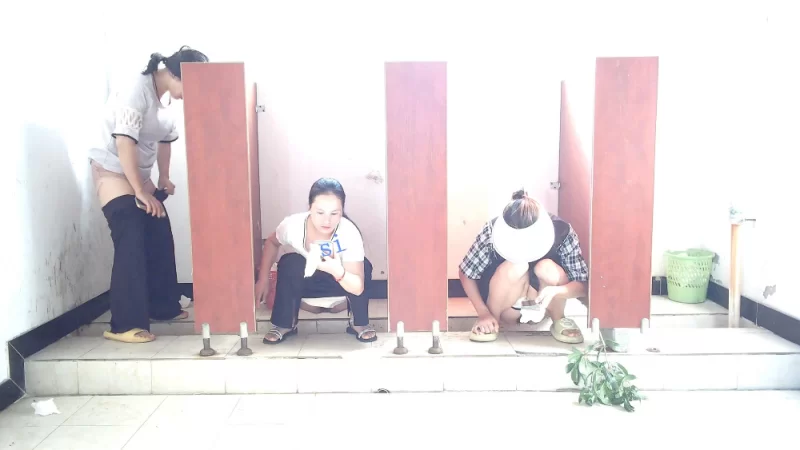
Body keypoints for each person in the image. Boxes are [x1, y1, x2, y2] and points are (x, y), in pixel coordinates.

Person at [88, 46, 210, 343]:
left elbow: (164, 140)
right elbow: (124, 143)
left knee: (158, 228)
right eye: (190, 87)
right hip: (111, 168)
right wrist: (140, 191)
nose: (191, 95)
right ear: (174, 73)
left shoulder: (166, 98)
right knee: (130, 231)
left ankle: (162, 306)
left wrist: (163, 176)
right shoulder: (137, 88)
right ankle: (123, 325)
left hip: (137, 173)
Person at [255, 178, 377, 344]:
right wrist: (263, 279)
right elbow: (272, 242)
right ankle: (285, 324)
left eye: (334, 213)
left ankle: (359, 323)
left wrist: (337, 270)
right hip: (306, 290)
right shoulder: (293, 225)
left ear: (342, 211)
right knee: (290, 262)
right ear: (309, 208)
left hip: (340, 290)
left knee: (364, 265)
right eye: (320, 213)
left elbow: (357, 287)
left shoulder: (349, 232)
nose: (327, 221)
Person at [458, 189, 589, 344]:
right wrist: (483, 313)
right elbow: (467, 273)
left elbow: (582, 283)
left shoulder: (563, 231)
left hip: (544, 305)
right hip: (507, 306)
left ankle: (559, 319)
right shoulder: (492, 230)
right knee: (516, 267)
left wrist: (556, 291)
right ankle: (492, 320)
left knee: (547, 267)